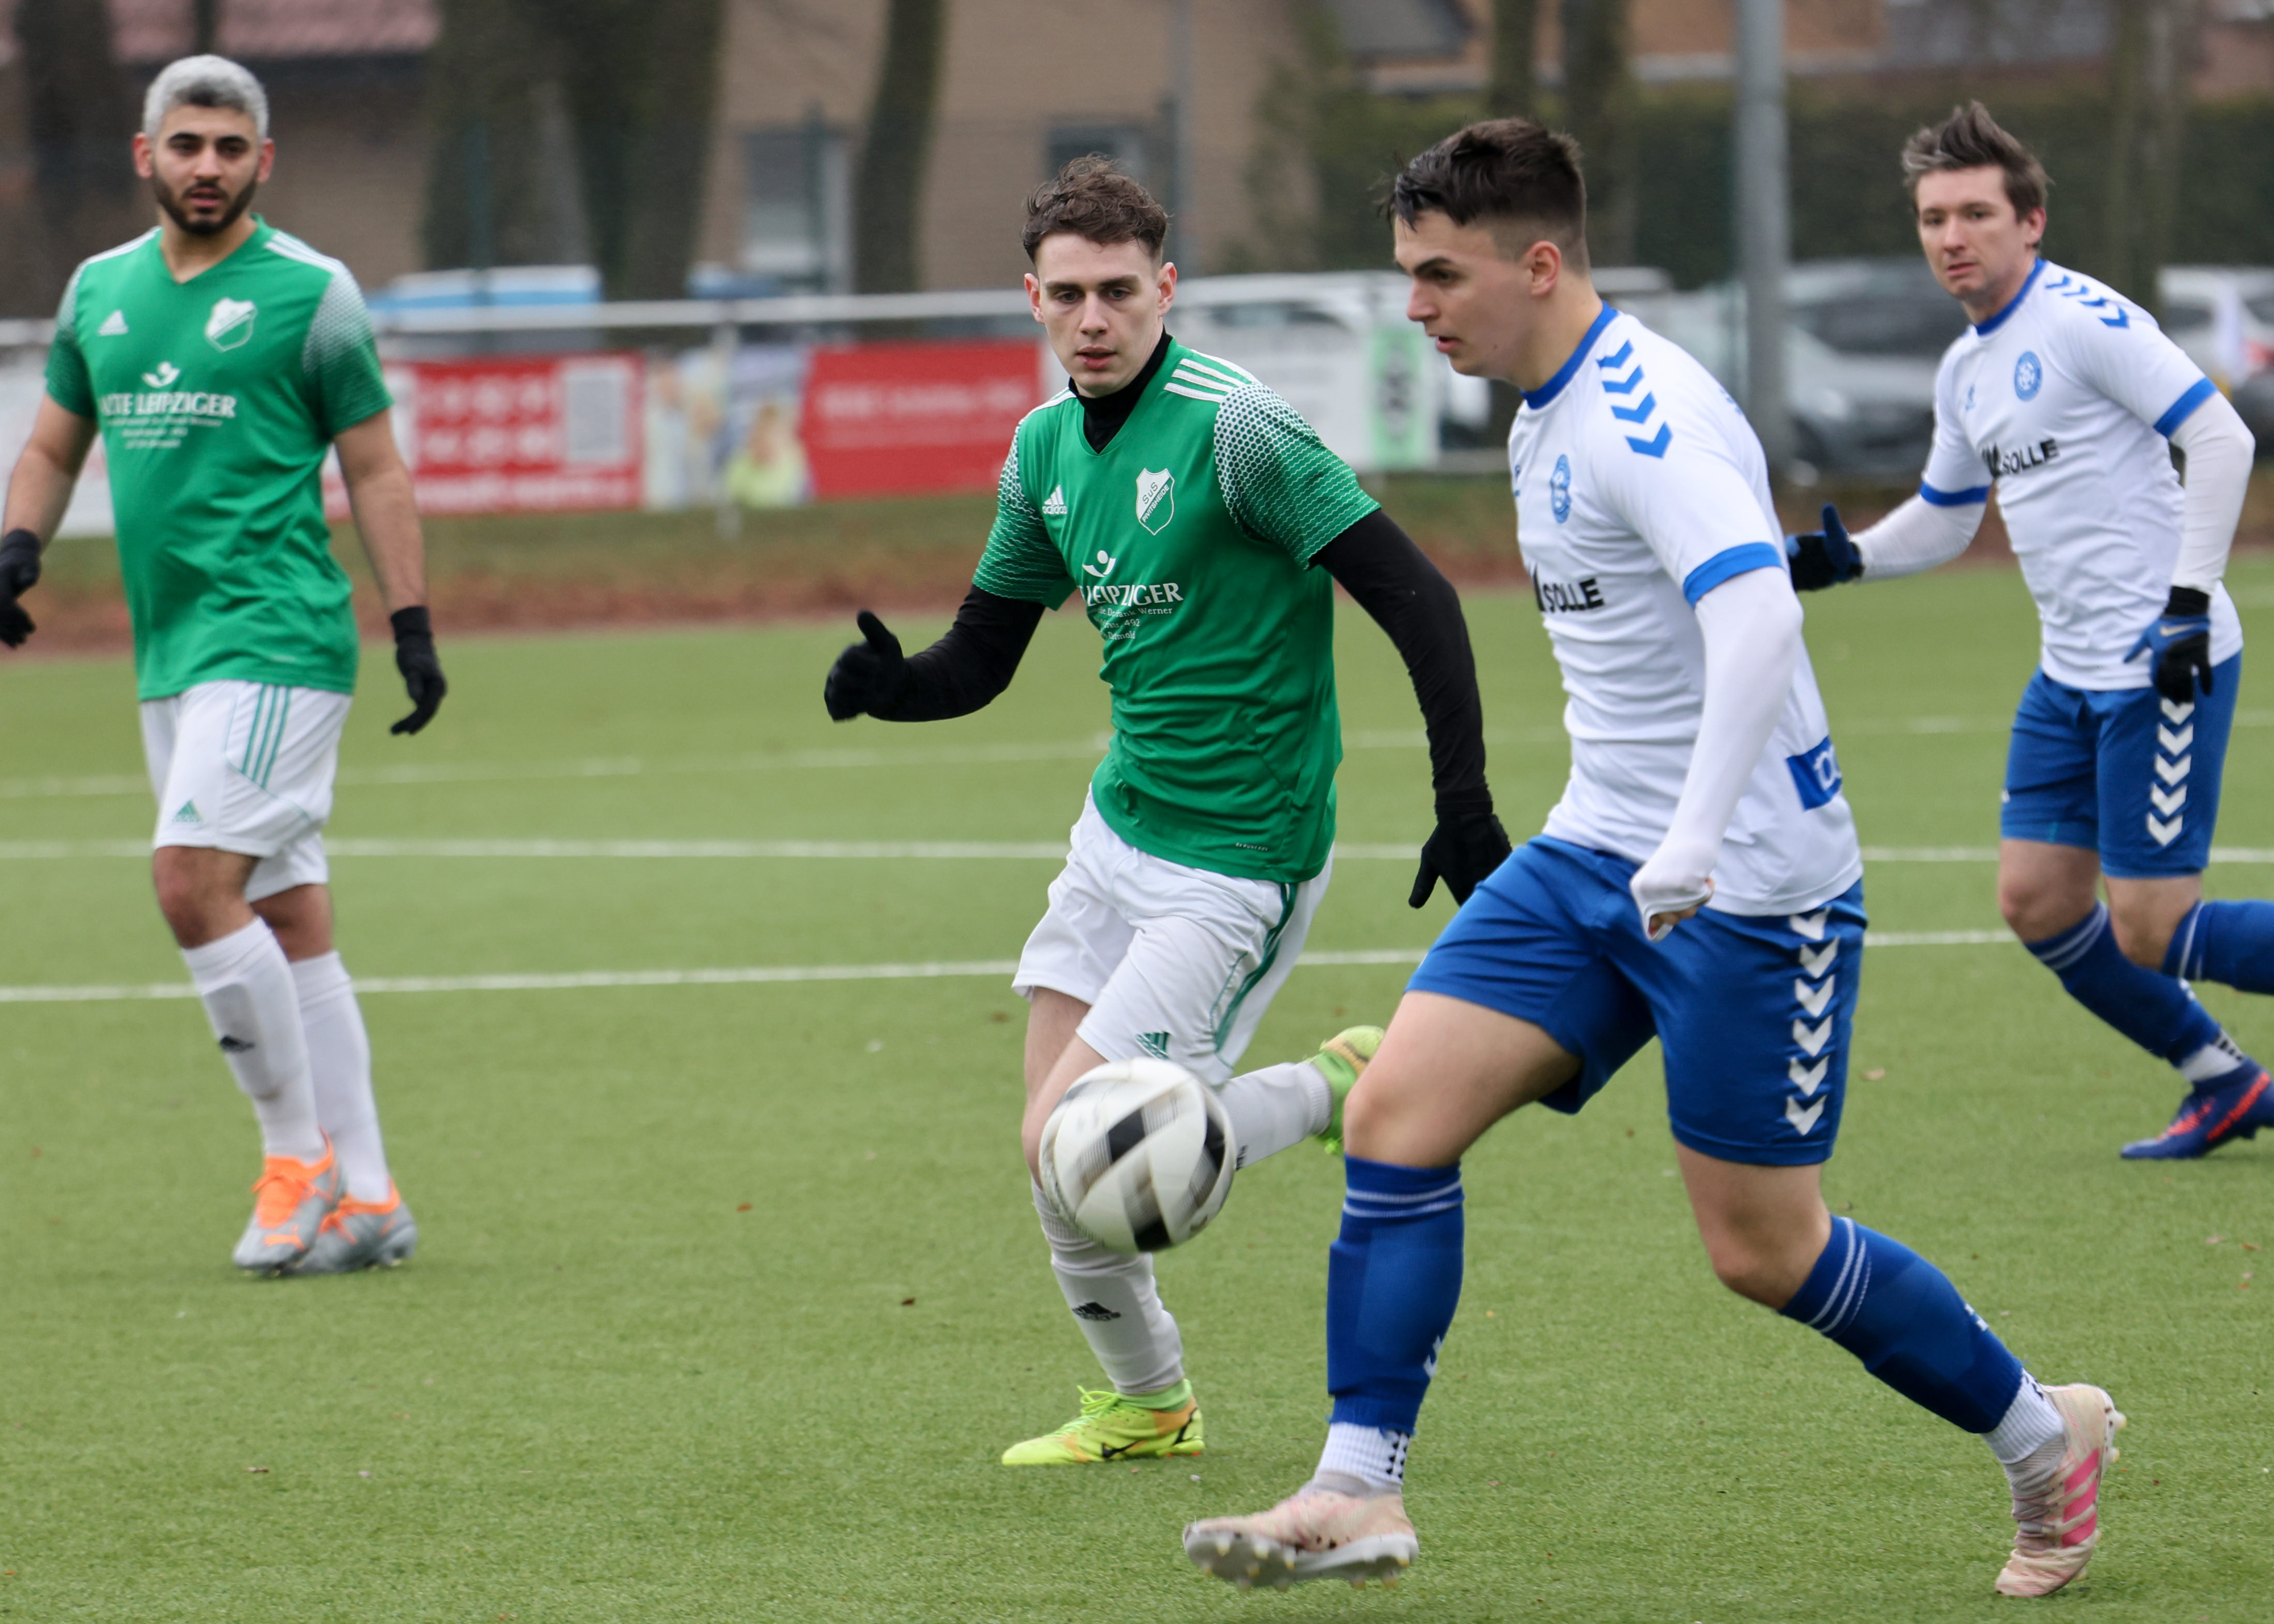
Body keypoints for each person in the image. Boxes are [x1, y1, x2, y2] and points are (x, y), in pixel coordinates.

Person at [1183, 121, 2118, 1600]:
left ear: (1535, 263)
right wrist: (1633, 835)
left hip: (1747, 887)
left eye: (1439, 275)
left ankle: (2040, 1433)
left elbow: (1756, 617)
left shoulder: (1641, 416)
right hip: (1592, 853)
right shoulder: (1536, 411)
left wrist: (1690, 840)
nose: (1414, 306)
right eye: (1407, 274)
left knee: (1762, 1249)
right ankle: (1356, 1487)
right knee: (1396, 1119)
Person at [821, 157, 1511, 1466]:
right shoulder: (1041, 448)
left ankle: (1326, 1088)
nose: (1093, 318)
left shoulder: (1237, 430)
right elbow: (981, 658)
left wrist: (1460, 798)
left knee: (1080, 1147)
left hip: (1236, 857)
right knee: (1047, 1150)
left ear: (1165, 289)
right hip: (1116, 831)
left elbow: (1417, 594)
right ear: (1031, 299)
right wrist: (892, 689)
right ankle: (1149, 1405)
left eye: (1119, 292)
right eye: (1067, 294)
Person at [0, 55, 445, 1275]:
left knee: (191, 880)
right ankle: (370, 1196)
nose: (207, 166)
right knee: (285, 913)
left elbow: (376, 468)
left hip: (279, 635)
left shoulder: (312, 292)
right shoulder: (99, 291)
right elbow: (51, 443)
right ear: (147, 154)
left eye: (230, 148)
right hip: (174, 654)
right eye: (186, 144)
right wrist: (18, 545)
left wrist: (409, 619)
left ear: (263, 162)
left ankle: (296, 1161)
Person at [1787, 103, 2268, 1160]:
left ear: (2030, 221)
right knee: (2038, 902)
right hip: (2066, 678)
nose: (1950, 237)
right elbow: (1948, 515)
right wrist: (1847, 557)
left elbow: (2220, 437)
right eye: (1932, 219)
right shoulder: (1965, 367)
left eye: (1974, 214)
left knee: (2154, 927)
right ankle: (2223, 1080)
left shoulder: (2082, 321)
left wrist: (2187, 603)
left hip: (2159, 665)